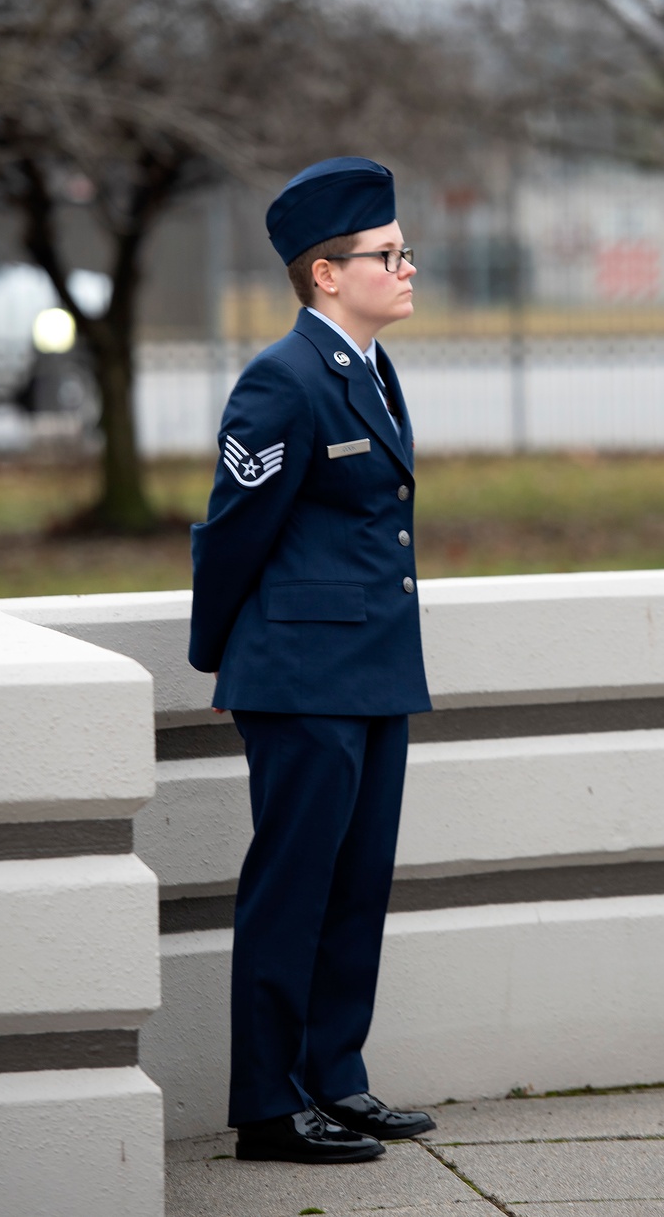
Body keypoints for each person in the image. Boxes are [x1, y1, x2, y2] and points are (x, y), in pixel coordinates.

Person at [188, 157, 435, 1165]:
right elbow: (235, 529)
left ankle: (335, 1076)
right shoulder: (282, 378)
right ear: (326, 273)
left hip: (371, 669)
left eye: (402, 248)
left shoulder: (369, 368)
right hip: (299, 678)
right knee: (292, 888)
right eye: (387, 253)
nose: (406, 265)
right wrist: (220, 656)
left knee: (356, 882)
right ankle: (266, 1105)